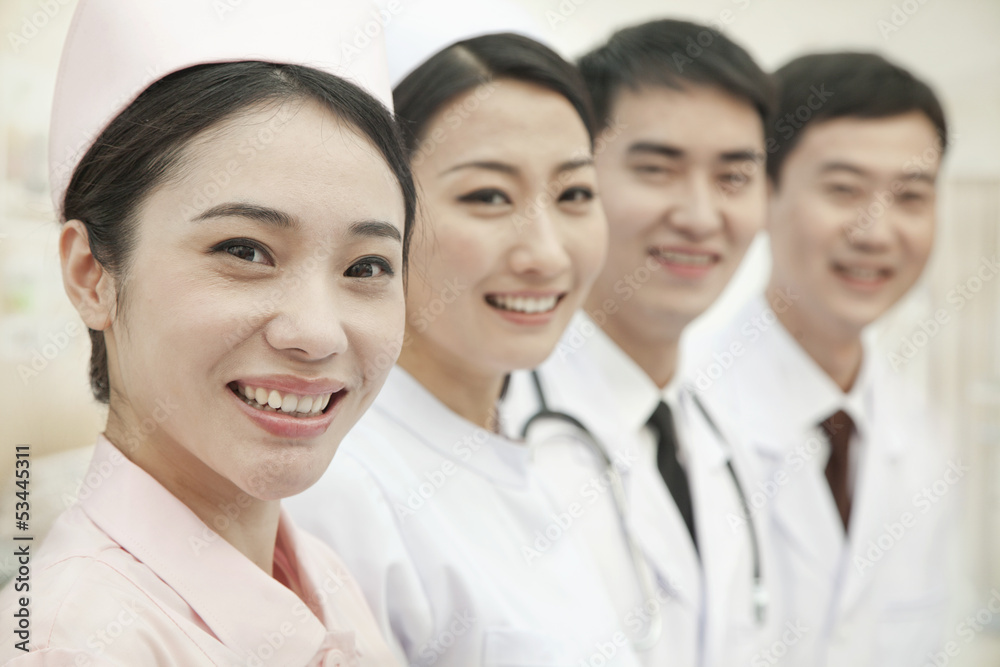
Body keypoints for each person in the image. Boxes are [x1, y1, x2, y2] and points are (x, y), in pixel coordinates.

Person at [0, 0, 415, 664]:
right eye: (245, 250)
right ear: (91, 274)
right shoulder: (71, 643)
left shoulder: (323, 577)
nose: (315, 333)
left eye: (366, 265)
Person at [286, 12, 642, 666]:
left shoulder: (544, 442)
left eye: (574, 192)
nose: (545, 253)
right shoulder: (337, 489)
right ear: (383, 211)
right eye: (488, 196)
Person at [501, 19, 780, 667]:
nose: (701, 215)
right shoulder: (502, 427)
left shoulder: (724, 437)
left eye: (734, 178)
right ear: (575, 180)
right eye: (657, 169)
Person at [686, 52, 955, 665]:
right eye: (843, 189)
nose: (876, 232)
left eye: (911, 197)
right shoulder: (687, 412)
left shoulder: (922, 435)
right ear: (762, 194)